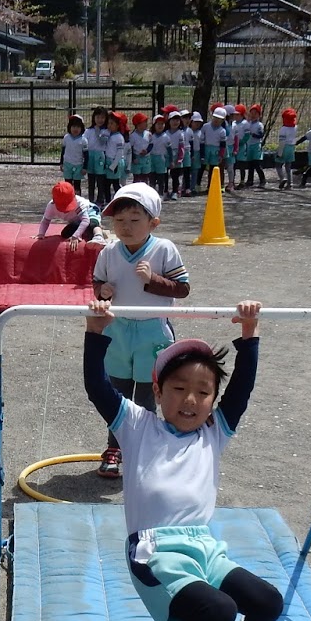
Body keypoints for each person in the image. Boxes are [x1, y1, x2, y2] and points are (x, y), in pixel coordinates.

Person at [83, 299, 296, 621]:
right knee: (218, 609)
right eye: (179, 388)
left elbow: (242, 390)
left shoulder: (214, 432)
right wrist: (96, 332)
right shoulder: (136, 425)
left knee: (268, 601)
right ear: (157, 391)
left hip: (203, 548)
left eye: (203, 391)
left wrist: (249, 334)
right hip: (154, 551)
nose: (190, 400)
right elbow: (97, 387)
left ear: (213, 399)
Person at [89, 182, 190, 479]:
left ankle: (145, 449)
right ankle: (114, 448)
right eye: (119, 220)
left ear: (153, 223)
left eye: (135, 219)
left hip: (152, 331)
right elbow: (97, 283)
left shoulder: (164, 249)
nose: (126, 226)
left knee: (147, 398)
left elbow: (183, 288)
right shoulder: (109, 252)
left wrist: (152, 280)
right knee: (116, 396)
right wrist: (102, 291)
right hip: (117, 330)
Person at [38, 180, 102, 241]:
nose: (65, 210)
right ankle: (85, 231)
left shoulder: (79, 203)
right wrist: (41, 234)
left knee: (92, 224)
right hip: (77, 220)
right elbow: (46, 221)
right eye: (62, 206)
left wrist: (76, 236)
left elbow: (85, 220)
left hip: (90, 212)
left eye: (67, 206)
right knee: (65, 234)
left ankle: (98, 236)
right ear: (54, 201)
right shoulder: (51, 206)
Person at [84, 106, 109, 204]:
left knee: (100, 179)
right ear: (94, 118)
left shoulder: (106, 131)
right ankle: (90, 199)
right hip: (90, 155)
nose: (100, 120)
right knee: (91, 179)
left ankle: (100, 199)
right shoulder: (88, 131)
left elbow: (103, 141)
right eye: (98, 117)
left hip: (100, 156)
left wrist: (98, 132)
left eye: (102, 117)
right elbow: (84, 142)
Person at [60, 114, 88, 197]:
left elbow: (86, 155)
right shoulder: (66, 138)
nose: (75, 129)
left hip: (78, 165)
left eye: (78, 127)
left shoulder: (83, 140)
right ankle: (67, 198)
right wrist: (61, 163)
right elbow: (63, 151)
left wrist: (85, 167)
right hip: (67, 164)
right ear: (70, 127)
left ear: (82, 128)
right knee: (67, 184)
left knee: (77, 184)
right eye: (73, 126)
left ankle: (77, 199)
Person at [275, 107, 298, 190]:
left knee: (278, 165)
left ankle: (282, 178)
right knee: (288, 167)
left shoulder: (283, 129)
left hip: (284, 147)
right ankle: (290, 184)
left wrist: (279, 153)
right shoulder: (295, 127)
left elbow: (282, 142)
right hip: (291, 148)